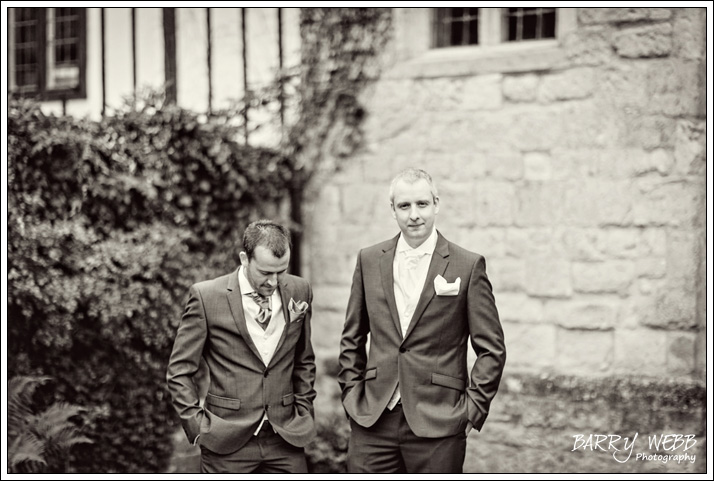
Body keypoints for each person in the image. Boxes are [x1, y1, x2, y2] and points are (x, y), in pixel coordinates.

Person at [338, 168, 506, 473]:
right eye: (404, 206)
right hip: (373, 420)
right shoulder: (369, 260)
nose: (414, 215)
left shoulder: (467, 265)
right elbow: (352, 336)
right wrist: (352, 394)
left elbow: (492, 349)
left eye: (422, 204)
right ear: (393, 210)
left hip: (440, 422)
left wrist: (472, 410)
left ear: (436, 204)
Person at [167, 220, 316, 473]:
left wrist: (304, 409)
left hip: (285, 438)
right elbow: (180, 371)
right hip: (226, 441)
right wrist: (197, 426)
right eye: (266, 273)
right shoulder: (206, 297)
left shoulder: (300, 289)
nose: (274, 281)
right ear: (244, 259)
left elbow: (304, 360)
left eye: (281, 271)